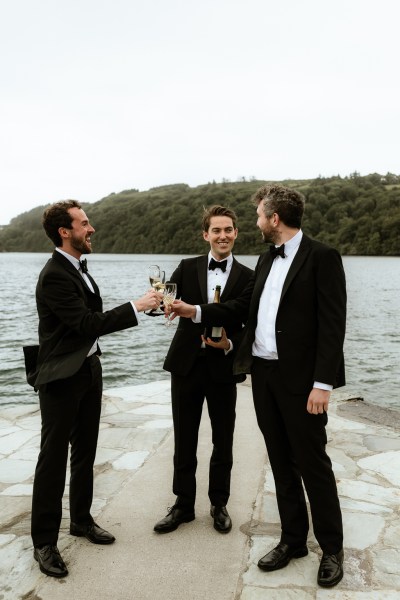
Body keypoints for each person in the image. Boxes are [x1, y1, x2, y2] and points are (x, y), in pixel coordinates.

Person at [169, 185, 346, 588]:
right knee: (281, 464)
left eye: (258, 216)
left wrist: (323, 384)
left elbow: (333, 327)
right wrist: (194, 310)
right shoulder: (266, 260)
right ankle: (293, 540)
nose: (256, 223)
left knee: (313, 464)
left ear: (274, 219)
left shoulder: (323, 257)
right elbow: (239, 309)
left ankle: (332, 548)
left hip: (303, 383)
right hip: (264, 377)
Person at [28, 200, 162, 578]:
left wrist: (139, 310)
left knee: (85, 452)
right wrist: (135, 307)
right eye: (85, 224)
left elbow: (88, 324)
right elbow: (87, 323)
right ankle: (44, 542)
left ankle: (82, 521)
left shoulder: (80, 269)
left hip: (88, 370)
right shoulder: (54, 274)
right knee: (52, 459)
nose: (92, 229)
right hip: (59, 378)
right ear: (64, 232)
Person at [153, 205, 253, 535]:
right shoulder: (187, 266)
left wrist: (227, 344)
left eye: (228, 230)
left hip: (223, 366)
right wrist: (160, 304)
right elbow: (169, 301)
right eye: (216, 230)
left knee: (223, 440)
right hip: (186, 365)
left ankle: (219, 503)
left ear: (235, 233)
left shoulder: (248, 276)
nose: (222, 235)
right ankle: (183, 505)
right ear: (205, 234)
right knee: (184, 438)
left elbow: (242, 316)